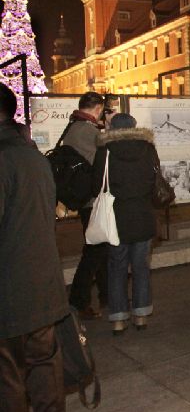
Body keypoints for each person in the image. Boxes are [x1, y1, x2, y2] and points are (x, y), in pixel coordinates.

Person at [0, 83, 69, 412]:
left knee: (8, 381)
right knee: (44, 370)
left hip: (8, 293)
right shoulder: (33, 157)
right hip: (43, 285)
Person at [92, 113, 159, 334]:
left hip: (116, 218)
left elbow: (96, 184)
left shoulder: (105, 150)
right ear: (134, 126)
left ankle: (119, 319)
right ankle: (141, 316)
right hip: (142, 215)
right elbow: (154, 180)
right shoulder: (147, 148)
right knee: (141, 266)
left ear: (112, 128)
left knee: (116, 267)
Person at [64, 91, 107, 319]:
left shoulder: (72, 128)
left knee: (99, 249)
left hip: (83, 199)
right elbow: (101, 165)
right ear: (98, 108)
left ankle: (106, 295)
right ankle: (78, 300)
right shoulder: (88, 132)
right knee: (94, 251)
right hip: (94, 201)